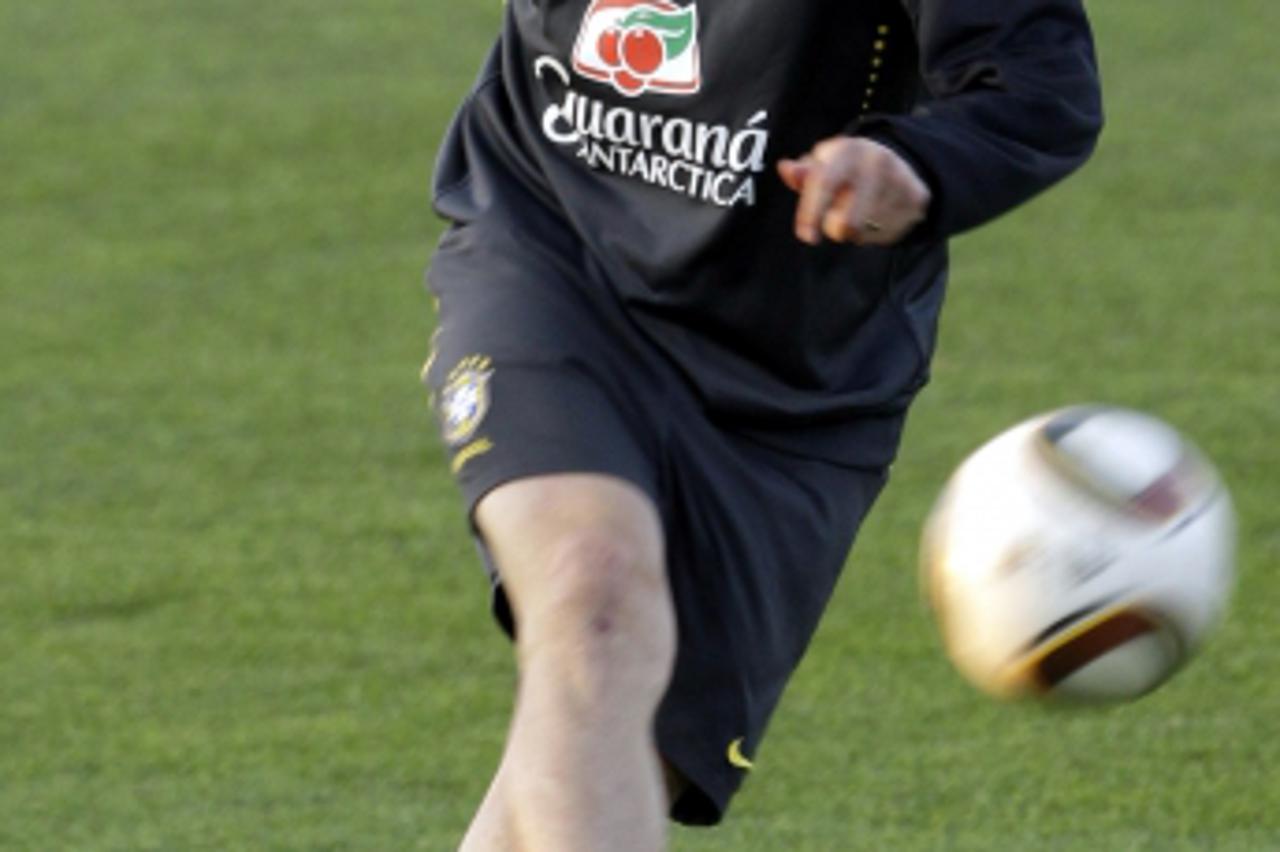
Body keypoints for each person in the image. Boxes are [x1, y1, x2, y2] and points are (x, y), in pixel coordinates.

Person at [423, 0, 1102, 848]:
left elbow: (1042, 83)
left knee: (607, 747)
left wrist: (912, 158)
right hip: (556, 255)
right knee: (591, 592)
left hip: (794, 375)